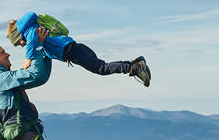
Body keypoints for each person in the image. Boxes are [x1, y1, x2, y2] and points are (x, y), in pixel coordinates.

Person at [8, 12, 152, 86]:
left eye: (18, 43)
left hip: (72, 51)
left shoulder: (31, 31)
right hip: (74, 48)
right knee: (101, 66)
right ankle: (134, 63)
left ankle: (135, 67)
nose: (21, 45)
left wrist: (28, 59)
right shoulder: (34, 31)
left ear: (19, 35)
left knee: (101, 69)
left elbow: (33, 40)